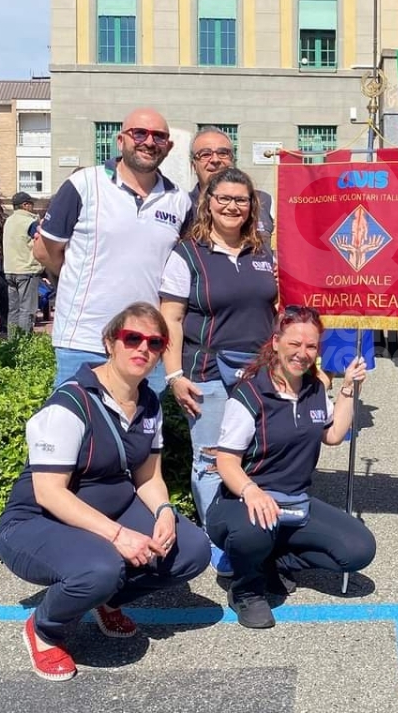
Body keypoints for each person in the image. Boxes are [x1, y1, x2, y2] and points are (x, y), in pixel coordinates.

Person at [0, 302, 211, 681]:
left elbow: (148, 476)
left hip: (110, 513)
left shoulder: (148, 403)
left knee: (192, 550)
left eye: (155, 342)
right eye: (132, 338)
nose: (143, 348)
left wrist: (163, 512)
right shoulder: (70, 404)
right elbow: (49, 494)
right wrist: (118, 535)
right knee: (102, 568)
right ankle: (46, 629)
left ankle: (103, 597)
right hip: (36, 522)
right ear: (110, 342)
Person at [207, 306, 376, 629]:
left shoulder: (313, 390)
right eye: (294, 344)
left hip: (293, 502)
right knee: (254, 532)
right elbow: (225, 460)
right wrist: (252, 491)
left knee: (359, 550)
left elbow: (334, 434)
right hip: (241, 502)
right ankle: (246, 589)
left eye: (311, 346)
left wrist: (350, 387)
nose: (302, 353)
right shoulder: (250, 393)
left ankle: (272, 560)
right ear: (275, 342)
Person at [159, 168, 277, 577]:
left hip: (260, 371)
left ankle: (259, 531)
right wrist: (173, 375)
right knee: (210, 460)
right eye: (223, 198)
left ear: (251, 206)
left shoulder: (265, 253)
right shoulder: (187, 254)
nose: (232, 206)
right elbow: (170, 318)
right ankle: (217, 539)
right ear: (208, 202)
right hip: (205, 371)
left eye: (240, 200)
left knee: (257, 456)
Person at [36, 108, 192, 391]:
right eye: (139, 133)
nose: (149, 141)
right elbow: (46, 251)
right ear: (121, 140)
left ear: (168, 147)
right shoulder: (83, 185)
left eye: (159, 136)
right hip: (84, 340)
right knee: (79, 429)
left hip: (146, 344)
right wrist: (78, 278)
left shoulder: (179, 201)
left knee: (139, 432)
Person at [188, 126, 274, 237]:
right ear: (193, 165)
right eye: (205, 154)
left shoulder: (264, 201)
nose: (215, 160)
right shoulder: (183, 206)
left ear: (232, 160)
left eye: (223, 153)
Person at [3, 192, 43, 334]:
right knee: (27, 309)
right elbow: (41, 240)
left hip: (10, 270)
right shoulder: (29, 222)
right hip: (27, 270)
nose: (33, 207)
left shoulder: (9, 221)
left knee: (13, 310)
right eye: (31, 204)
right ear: (25, 205)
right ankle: (23, 344)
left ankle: (12, 343)